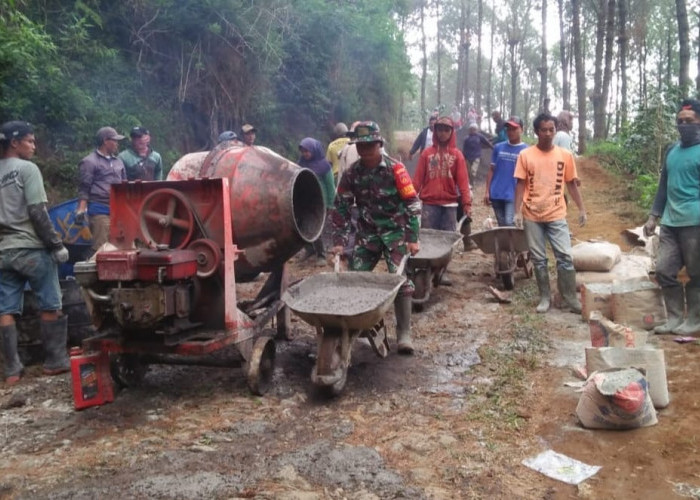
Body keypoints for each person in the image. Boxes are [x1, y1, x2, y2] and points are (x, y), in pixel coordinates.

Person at [330, 121, 421, 354]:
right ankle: (358, 325)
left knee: (401, 281)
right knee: (355, 278)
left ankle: (404, 333)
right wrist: (339, 242)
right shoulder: (352, 173)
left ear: (380, 144)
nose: (365, 151)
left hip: (395, 232)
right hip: (367, 233)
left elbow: (412, 203)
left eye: (370, 145)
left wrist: (412, 237)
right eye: (361, 147)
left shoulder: (396, 169)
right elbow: (341, 206)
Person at [0, 121, 70, 385]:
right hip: (31, 249)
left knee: (5, 309)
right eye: (30, 141)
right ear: (15, 143)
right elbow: (38, 212)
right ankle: (55, 361)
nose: (34, 146)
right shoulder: (27, 169)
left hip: (3, 251)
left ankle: (12, 371)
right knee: (51, 302)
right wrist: (56, 245)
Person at [514, 112, 587, 314]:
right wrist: (517, 212)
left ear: (556, 130)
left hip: (556, 214)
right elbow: (520, 185)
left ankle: (569, 297)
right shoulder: (525, 155)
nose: (547, 133)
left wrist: (581, 209)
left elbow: (571, 184)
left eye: (551, 130)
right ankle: (545, 297)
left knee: (564, 256)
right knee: (539, 259)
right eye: (543, 130)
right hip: (532, 214)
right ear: (536, 132)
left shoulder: (565, 155)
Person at [642, 98, 700, 335]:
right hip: (670, 222)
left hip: (694, 222)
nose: (684, 125)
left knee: (697, 273)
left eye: (690, 121)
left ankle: (694, 319)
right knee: (664, 270)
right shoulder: (671, 150)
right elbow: (663, 186)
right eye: (680, 121)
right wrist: (653, 215)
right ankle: (675, 317)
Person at [413, 116, 471, 232]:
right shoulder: (426, 154)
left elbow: (463, 182)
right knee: (428, 240)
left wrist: (466, 204)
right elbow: (417, 181)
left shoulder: (457, 155)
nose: (442, 133)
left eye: (446, 130)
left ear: (452, 132)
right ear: (435, 131)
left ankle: (467, 241)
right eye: (439, 130)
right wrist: (409, 202)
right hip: (429, 205)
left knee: (448, 241)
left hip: (450, 206)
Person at [76, 126, 127, 254]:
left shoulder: (118, 162)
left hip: (119, 210)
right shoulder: (89, 162)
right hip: (99, 210)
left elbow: (124, 185)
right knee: (101, 248)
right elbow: (84, 187)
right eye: (114, 140)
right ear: (105, 141)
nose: (117, 144)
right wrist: (81, 209)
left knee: (123, 246)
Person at [297, 137, 336, 265]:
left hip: (321, 201)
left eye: (307, 151)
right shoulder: (301, 163)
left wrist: (331, 204)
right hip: (305, 201)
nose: (305, 154)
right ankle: (309, 250)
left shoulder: (324, 166)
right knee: (302, 226)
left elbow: (330, 186)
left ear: (314, 150)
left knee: (317, 228)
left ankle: (321, 255)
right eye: (303, 151)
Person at [484, 116, 528, 226]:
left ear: (521, 129)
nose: (511, 132)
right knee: (502, 224)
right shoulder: (498, 147)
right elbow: (491, 170)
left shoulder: (526, 151)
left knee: (510, 223)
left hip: (513, 194)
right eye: (508, 129)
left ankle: (513, 243)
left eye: (514, 129)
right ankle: (505, 243)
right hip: (496, 193)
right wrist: (487, 191)